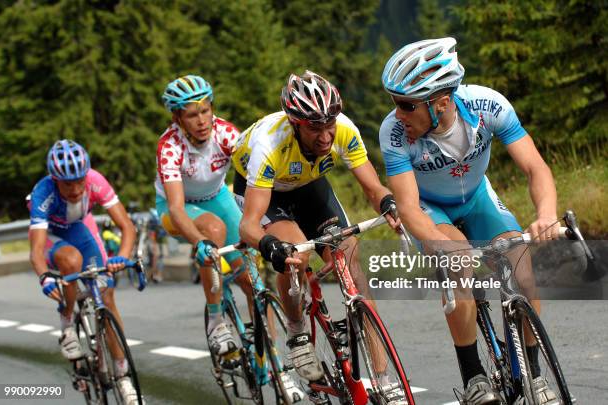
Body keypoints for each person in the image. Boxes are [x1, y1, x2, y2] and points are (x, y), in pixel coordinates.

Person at [379, 37, 559, 404]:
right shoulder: (394, 133)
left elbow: (534, 167)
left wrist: (547, 215)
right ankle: (474, 376)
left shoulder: (487, 105)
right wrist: (446, 250)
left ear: (441, 102)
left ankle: (534, 376)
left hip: (477, 197)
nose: (397, 113)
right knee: (458, 263)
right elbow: (409, 208)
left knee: (521, 267)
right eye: (394, 103)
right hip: (432, 208)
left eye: (406, 105)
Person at [233, 71, 401, 388]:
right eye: (314, 127)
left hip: (309, 186)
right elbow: (248, 225)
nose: (325, 136)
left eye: (329, 125)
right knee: (297, 253)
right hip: (266, 192)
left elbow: (372, 188)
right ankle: (297, 334)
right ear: (295, 123)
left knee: (349, 259)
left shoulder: (344, 130)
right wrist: (269, 245)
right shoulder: (269, 144)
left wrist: (389, 204)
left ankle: (384, 380)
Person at [28, 139, 139, 404]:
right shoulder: (43, 192)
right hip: (53, 236)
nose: (77, 189)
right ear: (55, 180)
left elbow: (127, 227)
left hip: (79, 228)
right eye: (68, 184)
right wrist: (44, 276)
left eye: (80, 181)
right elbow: (36, 249)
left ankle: (122, 374)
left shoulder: (95, 181)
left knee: (106, 295)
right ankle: (67, 324)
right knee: (71, 260)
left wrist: (121, 257)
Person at [155, 74, 255, 358]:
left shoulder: (226, 135)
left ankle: (270, 359)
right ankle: (216, 321)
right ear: (177, 118)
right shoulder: (170, 147)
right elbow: (175, 206)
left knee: (252, 279)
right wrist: (200, 242)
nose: (201, 121)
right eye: (191, 115)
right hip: (178, 207)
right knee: (213, 230)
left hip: (217, 197)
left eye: (205, 110)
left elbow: (254, 178)